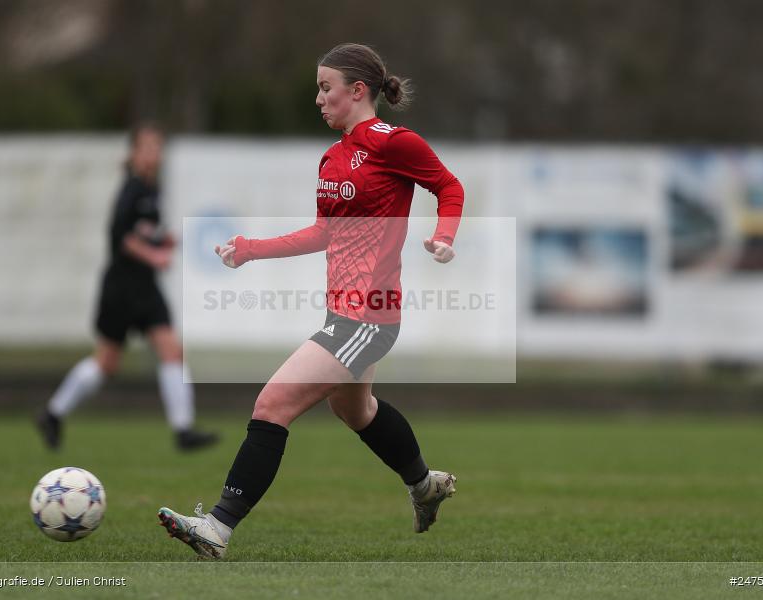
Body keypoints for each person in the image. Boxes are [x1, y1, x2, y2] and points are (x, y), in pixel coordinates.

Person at [157, 43, 463, 559]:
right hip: (342, 308)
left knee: (272, 403)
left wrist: (445, 236)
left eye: (326, 88)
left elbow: (448, 186)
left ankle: (219, 528)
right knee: (356, 409)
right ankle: (424, 485)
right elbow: (324, 233)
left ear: (357, 91)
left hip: (370, 313)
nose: (318, 98)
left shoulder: (394, 142)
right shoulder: (333, 157)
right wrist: (252, 250)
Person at [36, 123, 218, 452]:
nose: (153, 154)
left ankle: (183, 430)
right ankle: (52, 413)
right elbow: (120, 237)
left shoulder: (152, 189)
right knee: (106, 363)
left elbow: (143, 231)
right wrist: (153, 254)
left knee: (172, 351)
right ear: (133, 153)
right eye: (146, 147)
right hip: (121, 288)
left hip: (145, 287)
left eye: (157, 147)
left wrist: (164, 240)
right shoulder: (131, 188)